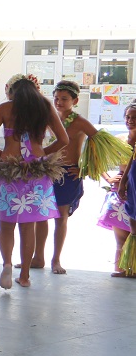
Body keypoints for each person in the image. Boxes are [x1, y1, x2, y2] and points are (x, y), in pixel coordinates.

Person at [0, 74, 69, 289]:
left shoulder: (5, 108)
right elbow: (64, 139)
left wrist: (1, 153)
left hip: (9, 169)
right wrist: (42, 153)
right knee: (29, 226)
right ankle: (25, 276)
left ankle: (7, 264)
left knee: (6, 223)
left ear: (13, 92)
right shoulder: (45, 106)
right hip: (37, 172)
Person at [35, 81, 131, 274]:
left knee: (60, 217)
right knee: (41, 217)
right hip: (47, 172)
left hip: (69, 174)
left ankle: (56, 260)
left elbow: (100, 148)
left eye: (64, 99)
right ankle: (38, 257)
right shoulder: (49, 118)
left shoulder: (80, 122)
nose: (59, 102)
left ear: (75, 100)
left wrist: (87, 170)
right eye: (56, 98)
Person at [102, 103, 136, 276]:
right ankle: (121, 268)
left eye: (134, 117)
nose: (130, 121)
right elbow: (96, 158)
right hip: (120, 192)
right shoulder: (120, 139)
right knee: (120, 237)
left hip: (134, 188)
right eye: (127, 117)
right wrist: (108, 178)